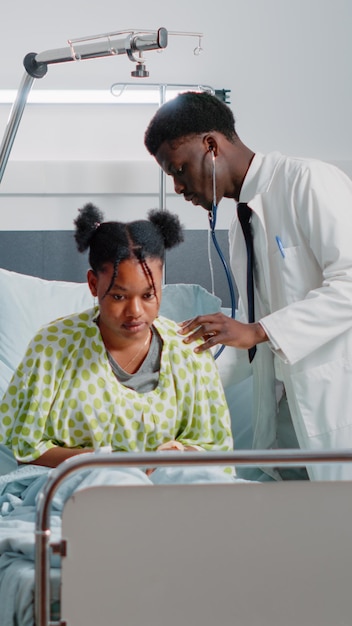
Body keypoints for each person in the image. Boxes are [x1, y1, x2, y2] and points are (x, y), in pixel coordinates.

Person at [144, 90, 352, 481]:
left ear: (211, 146)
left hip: (336, 409)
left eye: (178, 169)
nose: (177, 187)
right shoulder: (241, 225)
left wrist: (256, 330)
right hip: (287, 424)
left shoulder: (307, 181)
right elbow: (257, 341)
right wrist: (181, 376)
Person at [0, 203, 234, 482]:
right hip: (85, 480)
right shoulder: (53, 347)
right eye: (119, 296)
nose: (135, 311)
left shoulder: (189, 350)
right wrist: (108, 464)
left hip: (168, 485)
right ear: (92, 284)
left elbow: (213, 449)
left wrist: (174, 456)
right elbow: (27, 450)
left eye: (148, 295)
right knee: (114, 482)